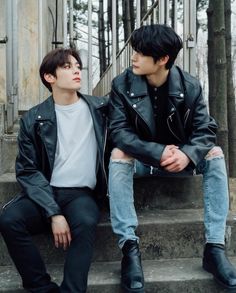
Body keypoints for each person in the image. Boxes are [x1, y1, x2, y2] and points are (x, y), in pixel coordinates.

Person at [108, 24, 236, 292]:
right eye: (134, 51)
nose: (133, 57)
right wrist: (157, 151)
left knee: (215, 153)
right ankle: (129, 249)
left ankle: (214, 248)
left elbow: (205, 130)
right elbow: (119, 132)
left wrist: (188, 155)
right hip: (143, 161)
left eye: (141, 53)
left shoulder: (190, 85)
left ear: (163, 59)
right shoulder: (122, 84)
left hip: (179, 160)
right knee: (118, 153)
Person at [0, 48, 108, 292]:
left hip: (81, 194)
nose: (77, 70)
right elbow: (27, 171)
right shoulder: (34, 118)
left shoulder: (101, 110)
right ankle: (41, 287)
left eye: (78, 66)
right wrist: (54, 213)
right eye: (68, 67)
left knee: (85, 220)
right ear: (50, 77)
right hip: (45, 192)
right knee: (9, 219)